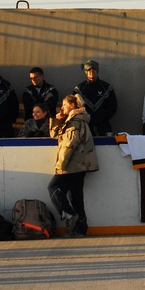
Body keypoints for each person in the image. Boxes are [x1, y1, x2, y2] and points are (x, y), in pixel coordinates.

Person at [48, 94, 99, 238]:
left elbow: (69, 145)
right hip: (80, 165)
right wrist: (57, 120)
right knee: (76, 197)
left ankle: (70, 216)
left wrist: (61, 166)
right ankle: (81, 229)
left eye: (64, 105)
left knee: (53, 188)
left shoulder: (75, 122)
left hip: (73, 165)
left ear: (71, 106)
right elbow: (54, 135)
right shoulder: (72, 120)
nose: (62, 107)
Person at [74, 60, 118, 137]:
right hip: (85, 128)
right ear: (86, 72)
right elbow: (74, 107)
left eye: (94, 69)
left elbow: (112, 106)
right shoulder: (79, 89)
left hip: (103, 127)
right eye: (89, 70)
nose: (91, 71)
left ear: (97, 71)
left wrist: (102, 118)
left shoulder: (107, 88)